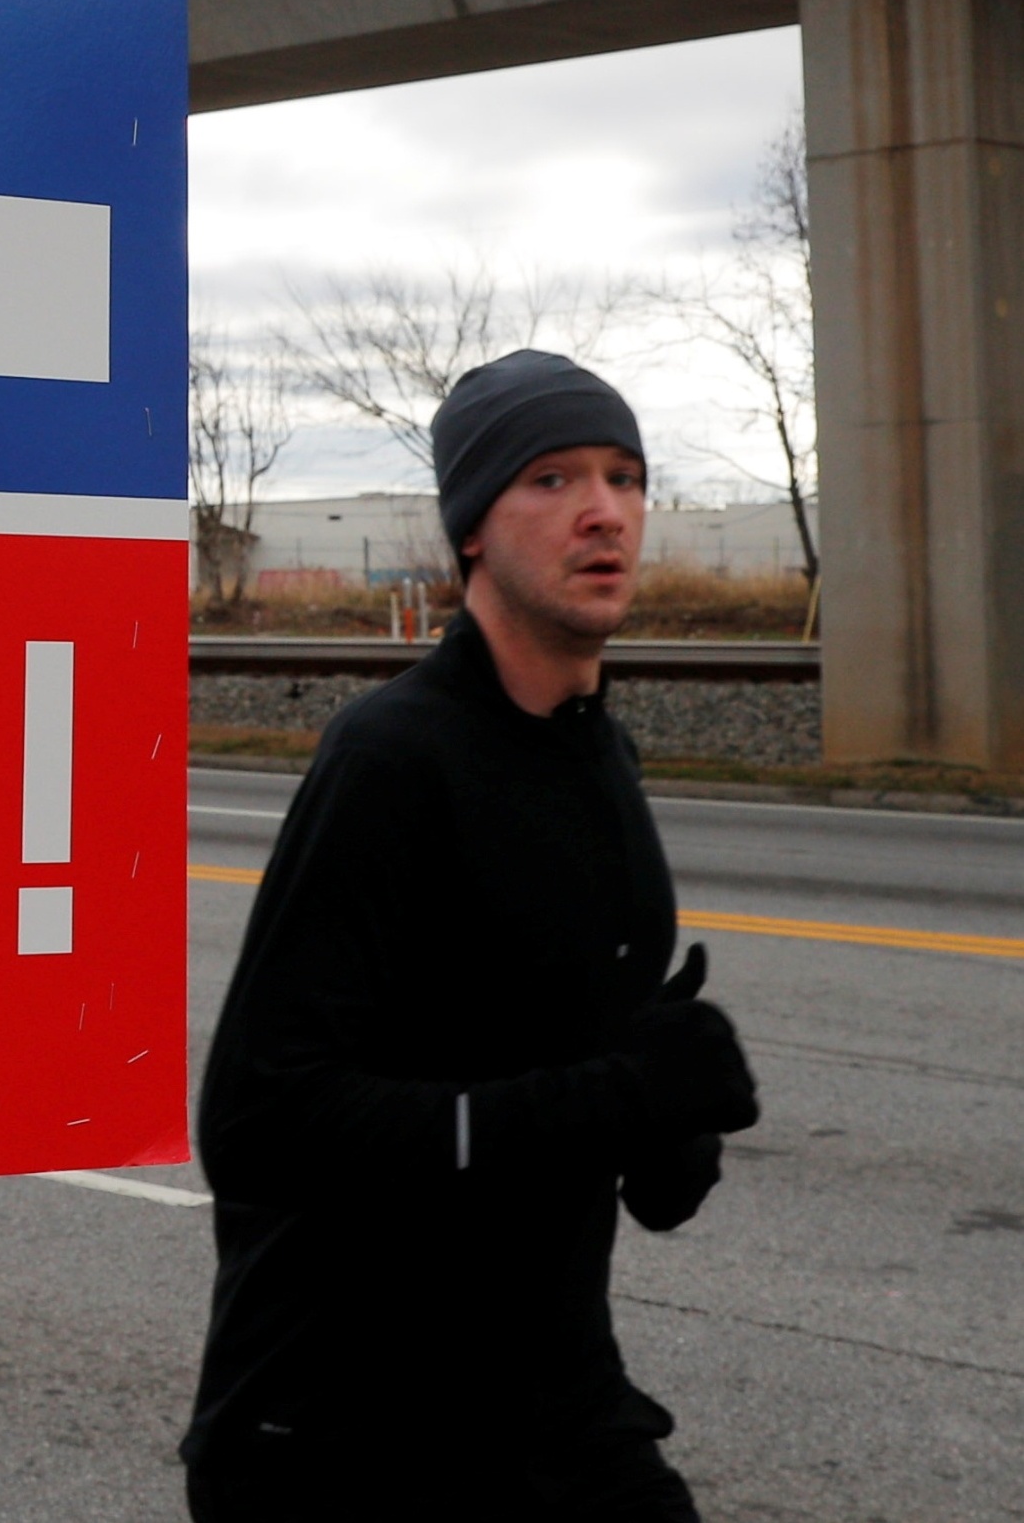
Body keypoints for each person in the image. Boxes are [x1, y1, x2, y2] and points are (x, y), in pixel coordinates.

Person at [180, 349, 761, 1521]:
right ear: (473, 534)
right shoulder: (394, 756)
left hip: (548, 1399)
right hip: (348, 1425)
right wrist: (609, 1097)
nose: (604, 511)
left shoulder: (599, 753)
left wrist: (662, 1122)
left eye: (624, 476)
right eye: (550, 480)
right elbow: (260, 1121)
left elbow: (538, 1041)